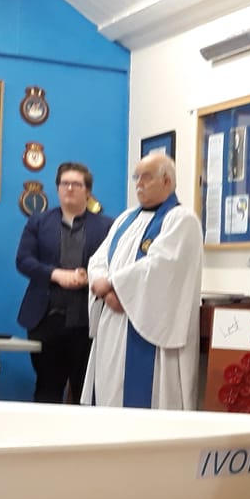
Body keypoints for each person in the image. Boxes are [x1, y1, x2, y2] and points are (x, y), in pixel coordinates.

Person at [81, 152, 203, 409]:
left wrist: (112, 284)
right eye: (136, 177)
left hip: (151, 331)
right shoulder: (125, 220)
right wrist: (105, 289)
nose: (139, 183)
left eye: (146, 177)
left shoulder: (182, 220)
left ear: (167, 181)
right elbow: (98, 259)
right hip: (113, 324)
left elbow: (161, 267)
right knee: (109, 400)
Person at [15, 161, 114, 403]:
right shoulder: (38, 222)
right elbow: (23, 260)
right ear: (58, 188)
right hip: (46, 320)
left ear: (87, 191)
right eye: (64, 183)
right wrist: (56, 274)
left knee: (86, 393)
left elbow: (115, 266)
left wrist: (88, 277)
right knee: (46, 390)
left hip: (87, 323)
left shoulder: (107, 226)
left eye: (76, 184)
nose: (69, 188)